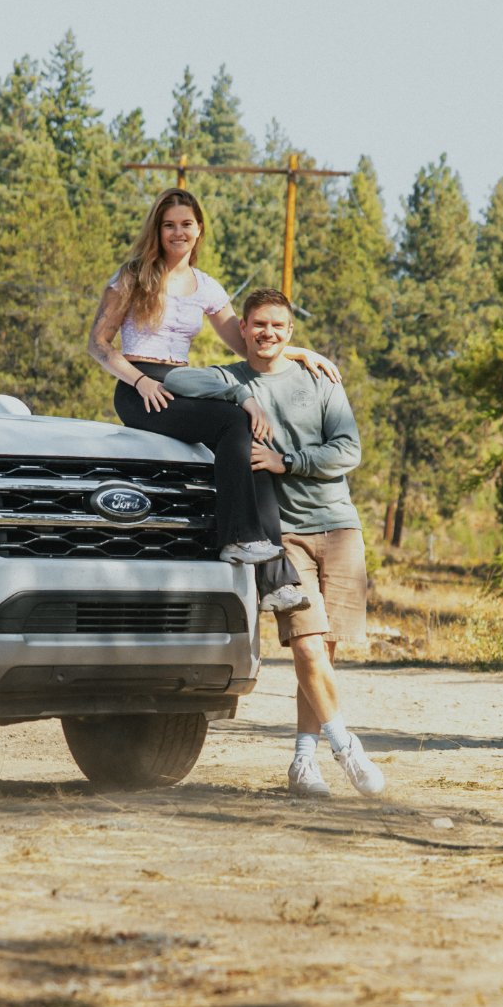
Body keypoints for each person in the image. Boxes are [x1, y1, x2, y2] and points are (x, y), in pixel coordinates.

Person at [165, 288, 385, 798]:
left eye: (279, 328)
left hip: (339, 526)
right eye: (259, 325)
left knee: (323, 656)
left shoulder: (318, 379)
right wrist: (240, 396)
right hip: (282, 533)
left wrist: (289, 462)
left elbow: (347, 449)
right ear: (243, 328)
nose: (268, 334)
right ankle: (346, 749)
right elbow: (175, 379)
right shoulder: (231, 377)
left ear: (290, 332)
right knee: (307, 648)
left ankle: (302, 763)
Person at [87, 187, 336, 612]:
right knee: (232, 421)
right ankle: (237, 539)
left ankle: (274, 580)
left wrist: (298, 352)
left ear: (199, 230)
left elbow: (245, 343)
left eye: (186, 224)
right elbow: (97, 344)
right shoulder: (133, 275)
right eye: (169, 225)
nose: (178, 232)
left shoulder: (206, 287)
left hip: (181, 383)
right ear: (158, 230)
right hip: (139, 387)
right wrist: (138, 381)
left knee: (255, 448)